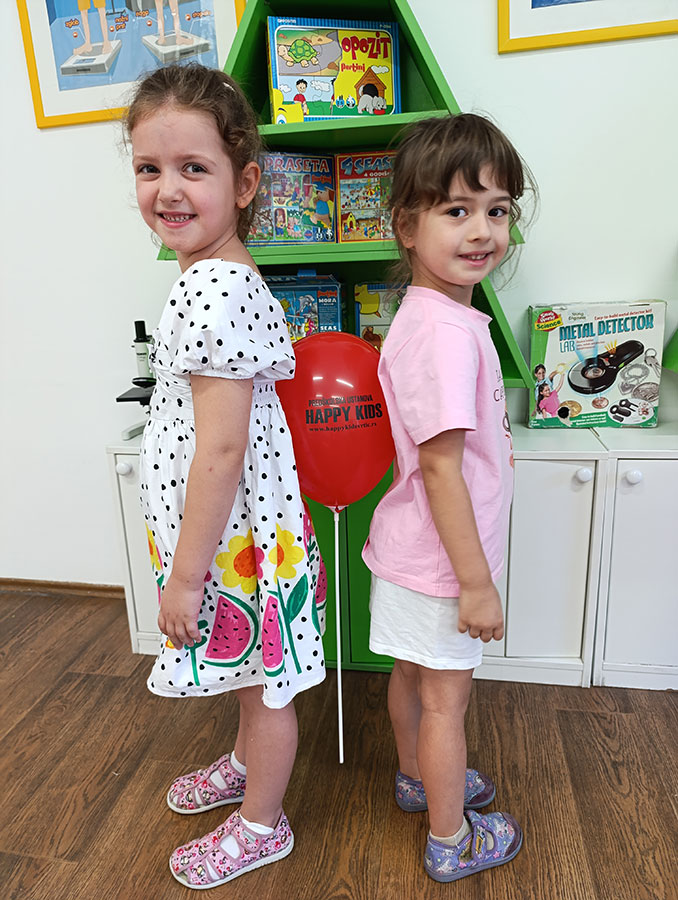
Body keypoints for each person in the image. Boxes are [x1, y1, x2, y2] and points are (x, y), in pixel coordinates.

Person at [124, 63, 326, 890]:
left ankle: (262, 826)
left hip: (231, 541)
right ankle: (245, 767)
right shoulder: (213, 275)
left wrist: (185, 576)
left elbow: (220, 452)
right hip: (236, 533)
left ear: (244, 184)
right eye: (149, 167)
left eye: (193, 168)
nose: (168, 189)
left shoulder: (212, 290)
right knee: (250, 679)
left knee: (266, 687)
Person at [362, 113, 535, 883]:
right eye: (457, 210)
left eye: (497, 210)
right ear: (407, 226)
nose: (482, 230)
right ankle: (450, 837)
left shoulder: (428, 316)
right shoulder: (446, 334)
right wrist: (476, 583)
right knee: (445, 704)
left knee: (412, 678)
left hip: (410, 553)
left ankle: (415, 777)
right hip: (442, 567)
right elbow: (441, 470)